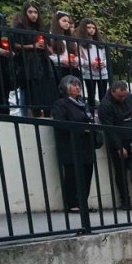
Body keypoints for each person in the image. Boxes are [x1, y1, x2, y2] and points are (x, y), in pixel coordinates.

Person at [51, 75, 98, 213]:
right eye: (74, 85)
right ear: (65, 87)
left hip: (86, 145)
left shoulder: (83, 104)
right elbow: (61, 124)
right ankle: (72, 203)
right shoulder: (61, 103)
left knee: (87, 174)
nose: (78, 87)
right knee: (72, 175)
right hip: (71, 146)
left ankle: (82, 202)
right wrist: (82, 129)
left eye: (79, 85)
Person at [98, 80, 132, 209]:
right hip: (119, 140)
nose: (123, 98)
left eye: (124, 95)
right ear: (112, 92)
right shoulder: (105, 104)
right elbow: (109, 128)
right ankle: (125, 201)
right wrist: (119, 147)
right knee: (121, 172)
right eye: (119, 96)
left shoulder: (129, 97)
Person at [12, 3, 58, 117]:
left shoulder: (42, 29)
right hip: (28, 64)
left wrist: (45, 46)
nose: (33, 15)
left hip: (44, 63)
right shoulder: (19, 27)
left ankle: (48, 116)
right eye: (30, 12)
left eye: (36, 12)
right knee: (33, 95)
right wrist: (33, 46)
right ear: (25, 13)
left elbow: (51, 50)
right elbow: (15, 45)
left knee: (48, 94)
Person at [75, 18, 109, 110]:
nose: (91, 30)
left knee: (103, 96)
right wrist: (90, 64)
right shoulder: (80, 44)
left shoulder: (100, 43)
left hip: (102, 73)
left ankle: (103, 114)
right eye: (89, 27)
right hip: (89, 73)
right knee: (91, 96)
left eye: (93, 28)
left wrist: (103, 63)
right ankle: (92, 115)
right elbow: (80, 59)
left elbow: (105, 57)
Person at [48, 11, 81, 82]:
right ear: (57, 22)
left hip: (73, 70)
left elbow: (78, 56)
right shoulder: (51, 37)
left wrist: (76, 61)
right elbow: (49, 56)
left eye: (68, 22)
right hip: (59, 69)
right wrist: (62, 60)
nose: (67, 23)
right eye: (64, 21)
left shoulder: (71, 39)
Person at [0, 0, 13, 115]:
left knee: (2, 92)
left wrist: (10, 50)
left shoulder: (1, 19)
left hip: (2, 64)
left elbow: (5, 38)